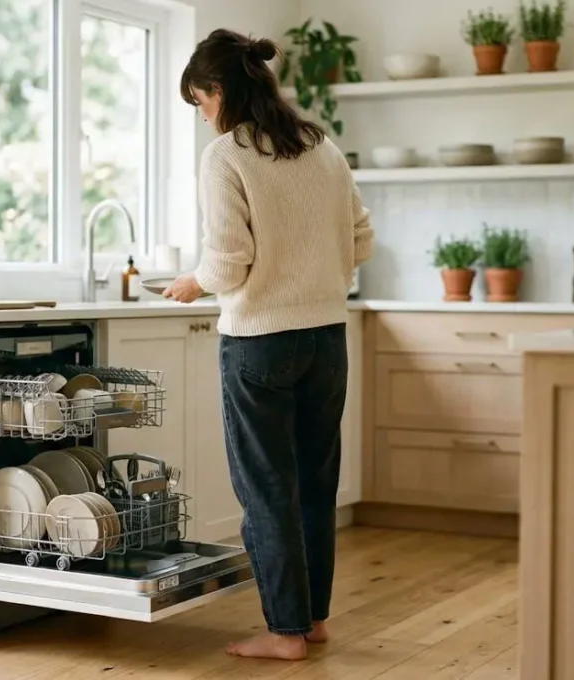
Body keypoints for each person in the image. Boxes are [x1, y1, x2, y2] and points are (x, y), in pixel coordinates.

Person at [162, 28, 373, 661]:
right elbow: (361, 240)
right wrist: (315, 274)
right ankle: (310, 620)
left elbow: (228, 264)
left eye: (200, 102)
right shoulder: (321, 146)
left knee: (266, 489)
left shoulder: (226, 156)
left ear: (220, 91)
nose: (202, 118)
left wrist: (192, 283)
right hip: (326, 338)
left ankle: (283, 633)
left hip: (259, 343)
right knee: (313, 480)